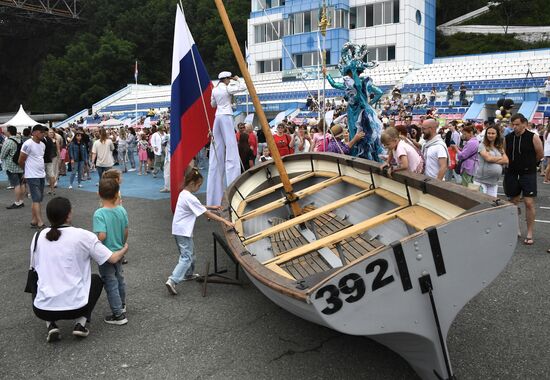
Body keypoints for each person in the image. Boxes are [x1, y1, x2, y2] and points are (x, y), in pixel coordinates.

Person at [31, 197, 129, 342]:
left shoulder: (38, 236)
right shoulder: (83, 236)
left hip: (42, 309)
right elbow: (113, 259)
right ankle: (80, 324)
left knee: (35, 276)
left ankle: (51, 324)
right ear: (69, 214)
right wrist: (124, 248)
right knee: (96, 279)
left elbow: (34, 268)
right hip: (77, 307)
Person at [165, 168, 235, 295]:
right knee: (186, 257)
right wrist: (225, 221)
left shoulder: (184, 194)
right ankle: (172, 280)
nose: (199, 187)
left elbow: (198, 207)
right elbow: (207, 214)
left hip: (178, 230)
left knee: (190, 255)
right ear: (192, 184)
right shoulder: (190, 198)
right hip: (183, 231)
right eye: (199, 185)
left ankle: (188, 274)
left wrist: (211, 206)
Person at [206, 71, 246, 206]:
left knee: (216, 148)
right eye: (229, 78)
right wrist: (238, 79)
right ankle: (233, 185)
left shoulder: (215, 89)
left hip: (217, 117)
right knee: (231, 146)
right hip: (227, 115)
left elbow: (212, 105)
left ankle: (213, 197)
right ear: (226, 79)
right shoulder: (227, 88)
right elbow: (243, 87)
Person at [93, 178, 129, 324]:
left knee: (110, 282)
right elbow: (126, 230)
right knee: (119, 278)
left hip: (106, 254)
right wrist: (122, 243)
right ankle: (122, 304)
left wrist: (95, 242)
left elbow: (102, 235)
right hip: (119, 250)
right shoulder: (121, 210)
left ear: (99, 194)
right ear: (116, 194)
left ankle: (118, 314)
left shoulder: (99, 214)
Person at [504, 113, 543, 246]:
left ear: (525, 124)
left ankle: (530, 232)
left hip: (528, 174)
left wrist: (529, 165)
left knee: (528, 203)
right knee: (513, 201)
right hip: (512, 173)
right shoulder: (508, 138)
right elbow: (505, 154)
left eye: (517, 125)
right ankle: (516, 229)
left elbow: (540, 154)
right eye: (513, 124)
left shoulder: (533, 137)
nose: (514, 127)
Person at [19, 124, 47, 228]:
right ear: (34, 133)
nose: (43, 134)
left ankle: (34, 220)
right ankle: (40, 222)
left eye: (44, 132)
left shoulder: (42, 145)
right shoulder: (28, 144)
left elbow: (39, 158)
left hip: (41, 174)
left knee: (38, 199)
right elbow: (21, 159)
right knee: (36, 198)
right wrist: (25, 172)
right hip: (32, 175)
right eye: (41, 132)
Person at [474, 125, 508, 197]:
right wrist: (499, 157)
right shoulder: (482, 145)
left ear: (497, 135)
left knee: (491, 204)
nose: (490, 135)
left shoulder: (499, 147)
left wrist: (492, 158)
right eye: (488, 133)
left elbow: (506, 160)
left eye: (493, 133)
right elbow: (488, 159)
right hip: (481, 181)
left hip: (493, 183)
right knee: (481, 204)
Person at [1, 126, 25, 209]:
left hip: (11, 166)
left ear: (9, 132)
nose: (5, 132)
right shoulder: (19, 140)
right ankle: (21, 201)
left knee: (16, 185)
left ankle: (17, 202)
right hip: (19, 164)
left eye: (6, 131)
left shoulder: (8, 141)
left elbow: (3, 154)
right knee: (21, 184)